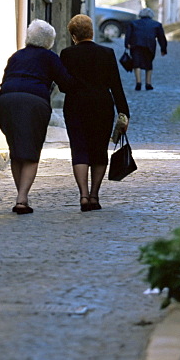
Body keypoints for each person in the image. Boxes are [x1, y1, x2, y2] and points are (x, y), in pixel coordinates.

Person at [0, 19, 74, 214]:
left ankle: (21, 194)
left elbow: (5, 79)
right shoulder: (49, 57)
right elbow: (66, 83)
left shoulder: (16, 56)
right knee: (31, 151)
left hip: (7, 99)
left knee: (16, 150)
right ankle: (22, 198)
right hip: (34, 101)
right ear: (49, 40)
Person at [60, 14, 130, 212]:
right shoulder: (106, 53)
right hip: (102, 105)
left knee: (79, 148)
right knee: (99, 150)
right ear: (92, 32)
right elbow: (116, 85)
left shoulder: (67, 54)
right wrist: (124, 113)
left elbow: (64, 85)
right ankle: (94, 195)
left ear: (74, 36)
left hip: (75, 105)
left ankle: (83, 195)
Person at [124, 6, 168, 90]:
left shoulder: (133, 23)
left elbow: (128, 35)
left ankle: (138, 82)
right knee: (149, 63)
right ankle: (148, 83)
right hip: (149, 45)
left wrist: (127, 44)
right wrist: (163, 49)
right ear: (151, 15)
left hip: (135, 45)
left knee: (136, 63)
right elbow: (161, 38)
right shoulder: (157, 24)